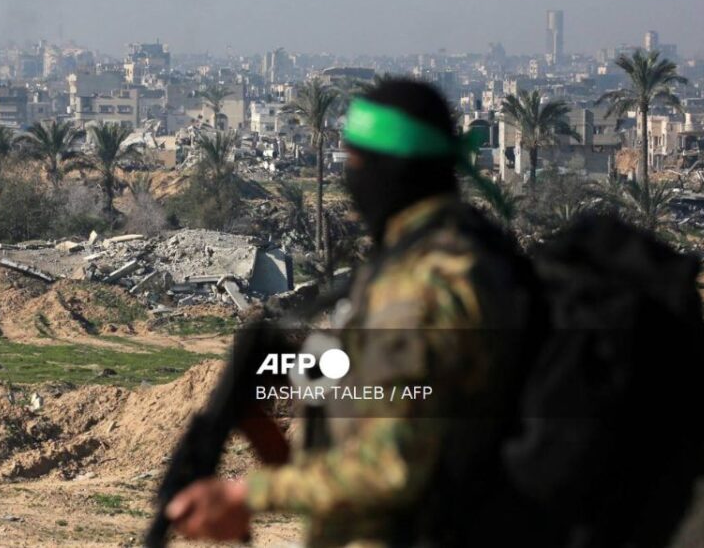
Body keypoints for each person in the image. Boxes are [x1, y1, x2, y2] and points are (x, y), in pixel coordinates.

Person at [166, 80, 541, 547]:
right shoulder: (462, 251)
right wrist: (288, 369)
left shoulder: (423, 285)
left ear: (389, 169)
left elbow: (392, 465)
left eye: (356, 162)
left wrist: (247, 494)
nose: (351, 177)